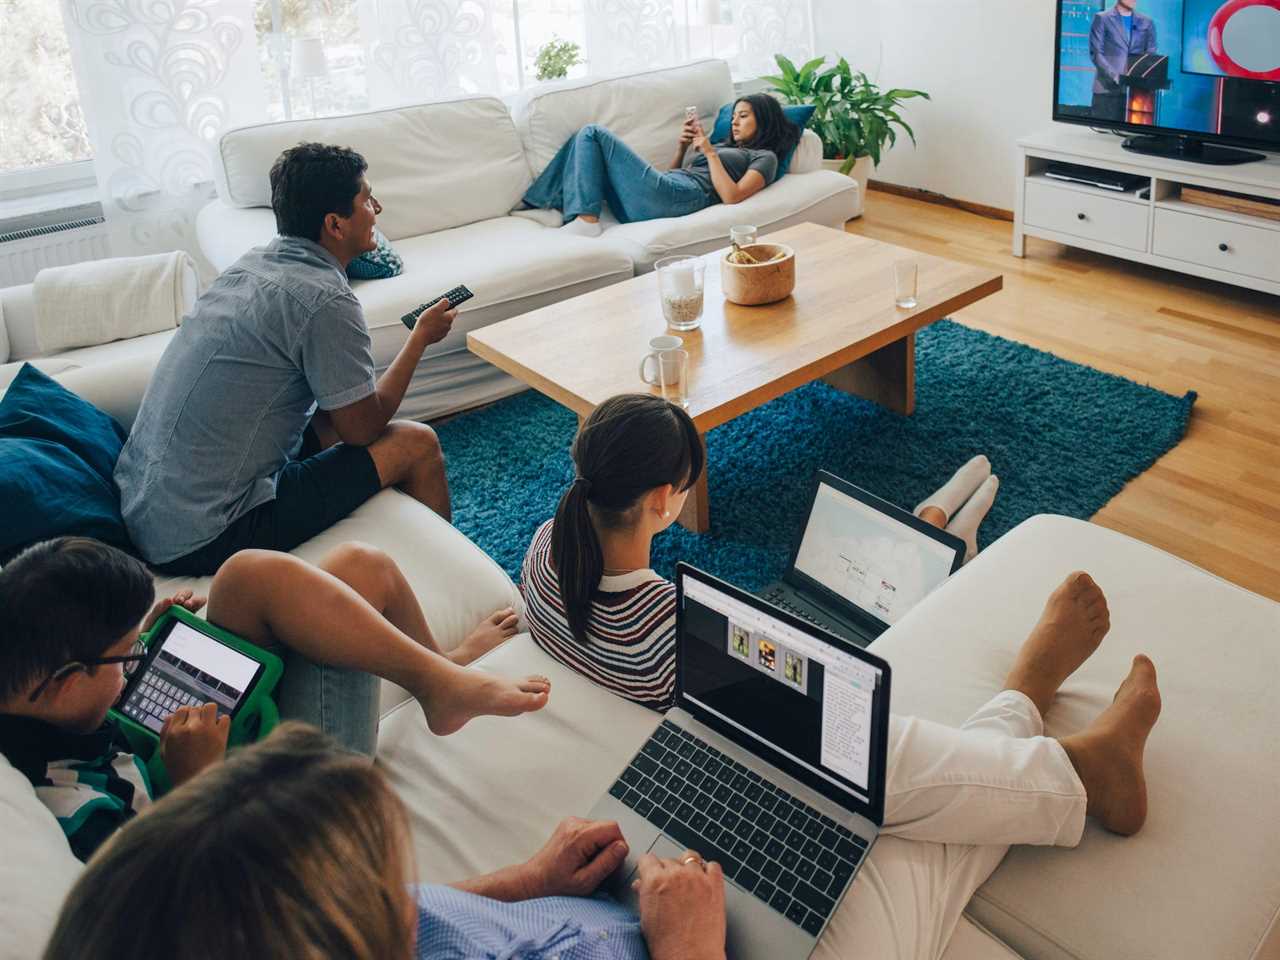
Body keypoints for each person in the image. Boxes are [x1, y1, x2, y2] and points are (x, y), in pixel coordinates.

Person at [45, 620, 1161, 960]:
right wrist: (681, 947)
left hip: (629, 899)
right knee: (881, 827)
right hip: (697, 947)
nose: (409, 888)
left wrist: (522, 878)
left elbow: (413, 927)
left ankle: (1026, 735)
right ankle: (1041, 743)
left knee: (812, 774)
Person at [0, 537, 549, 861]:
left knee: (308, 572)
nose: (137, 658)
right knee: (356, 584)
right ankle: (441, 681)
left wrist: (142, 638)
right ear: (69, 680)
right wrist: (199, 781)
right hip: (264, 819)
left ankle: (437, 676)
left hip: (172, 750)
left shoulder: (32, 686)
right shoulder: (75, 810)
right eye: (127, 658)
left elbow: (95, 701)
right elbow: (188, 902)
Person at [520, 395, 1001, 711]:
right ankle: (954, 538)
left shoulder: (545, 544)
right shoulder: (668, 621)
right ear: (663, 499)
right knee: (921, 601)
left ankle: (937, 519)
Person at [115, 142, 460, 575]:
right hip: (207, 534)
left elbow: (340, 417)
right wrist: (420, 339)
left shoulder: (253, 265)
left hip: (146, 507)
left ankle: (418, 545)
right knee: (416, 442)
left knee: (326, 419)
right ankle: (448, 577)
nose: (378, 207)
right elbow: (363, 429)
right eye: (366, 200)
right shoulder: (325, 299)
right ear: (335, 224)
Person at [521, 94, 801, 236]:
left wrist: (710, 152)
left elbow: (732, 196)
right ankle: (549, 206)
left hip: (686, 196)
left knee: (593, 133)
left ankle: (585, 220)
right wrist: (682, 149)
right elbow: (672, 176)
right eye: (733, 117)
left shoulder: (765, 157)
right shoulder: (725, 145)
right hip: (667, 192)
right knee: (582, 137)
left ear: (763, 120)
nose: (734, 122)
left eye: (743, 116)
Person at [1089, 0, 1157, 123]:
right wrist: (1116, 77)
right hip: (1107, 90)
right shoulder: (1102, 18)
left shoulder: (1147, 22)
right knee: (1103, 134)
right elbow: (1096, 54)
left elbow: (1151, 53)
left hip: (1135, 93)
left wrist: (1137, 78)